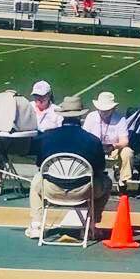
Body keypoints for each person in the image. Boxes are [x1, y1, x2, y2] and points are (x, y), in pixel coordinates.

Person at [26, 95, 112, 240]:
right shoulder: (92, 140)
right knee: (107, 182)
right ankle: (91, 225)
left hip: (51, 190)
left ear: (62, 116)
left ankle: (36, 224)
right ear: (81, 117)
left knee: (36, 180)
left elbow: (40, 165)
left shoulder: (47, 137)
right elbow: (99, 169)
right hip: (84, 191)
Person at [83, 91, 134, 193]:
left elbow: (125, 141)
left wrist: (114, 146)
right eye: (101, 110)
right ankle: (86, 180)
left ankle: (123, 181)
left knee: (127, 152)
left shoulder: (120, 119)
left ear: (113, 109)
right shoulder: (91, 117)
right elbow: (84, 137)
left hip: (113, 148)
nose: (103, 112)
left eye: (106, 110)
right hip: (94, 148)